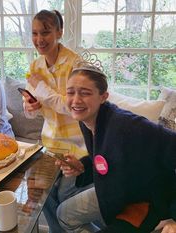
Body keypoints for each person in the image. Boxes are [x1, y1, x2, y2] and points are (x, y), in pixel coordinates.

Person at [55, 62, 176, 233]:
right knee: (64, 214)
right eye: (70, 92)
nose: (75, 100)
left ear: (103, 97)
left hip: (144, 201)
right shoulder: (88, 121)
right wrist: (83, 166)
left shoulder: (127, 126)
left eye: (85, 93)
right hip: (114, 191)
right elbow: (105, 156)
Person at [23, 10, 91, 232]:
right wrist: (30, 106)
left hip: (77, 146)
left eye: (45, 32)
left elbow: (74, 107)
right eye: (34, 33)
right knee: (44, 195)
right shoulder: (35, 67)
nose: (39, 39)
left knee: (64, 197)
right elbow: (33, 111)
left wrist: (41, 89)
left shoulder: (75, 63)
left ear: (59, 32)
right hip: (50, 144)